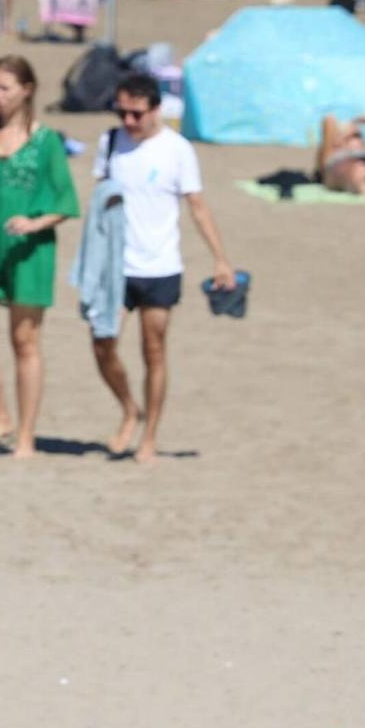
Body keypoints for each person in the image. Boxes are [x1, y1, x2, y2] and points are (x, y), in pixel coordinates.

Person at [89, 73, 237, 463]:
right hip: (116, 266)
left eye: (136, 114)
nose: (128, 122)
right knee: (102, 343)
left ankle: (149, 435)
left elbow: (198, 207)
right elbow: (100, 202)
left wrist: (220, 259)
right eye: (122, 112)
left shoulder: (178, 150)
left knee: (153, 350)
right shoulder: (110, 143)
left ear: (156, 110)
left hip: (159, 266)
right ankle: (128, 408)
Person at [0, 56, 80, 456]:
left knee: (25, 343)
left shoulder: (46, 143)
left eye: (5, 88)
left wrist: (35, 224)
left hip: (28, 253)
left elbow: (66, 202)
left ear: (27, 90)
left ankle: (26, 434)